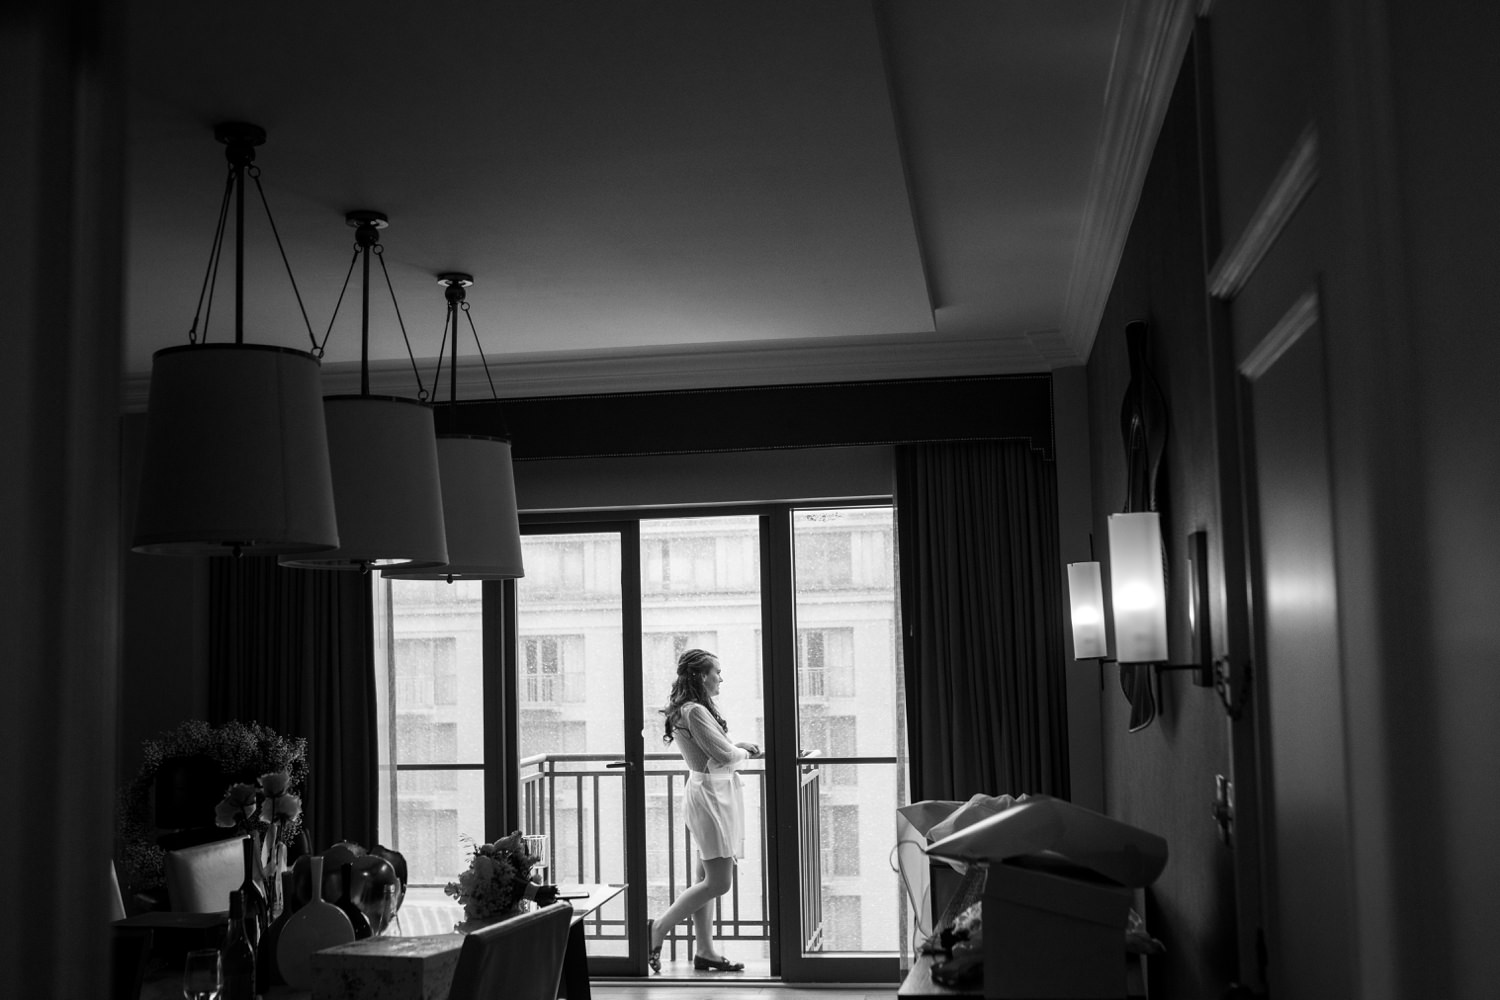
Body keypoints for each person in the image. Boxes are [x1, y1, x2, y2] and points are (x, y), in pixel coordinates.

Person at [647, 648, 762, 974]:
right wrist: (744, 752)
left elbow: (717, 751)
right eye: (717, 672)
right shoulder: (694, 710)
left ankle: (706, 952)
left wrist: (736, 749)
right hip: (712, 796)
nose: (721, 678)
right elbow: (722, 756)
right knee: (719, 881)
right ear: (700, 675)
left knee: (705, 875)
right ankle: (659, 927)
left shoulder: (690, 710)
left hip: (710, 792)